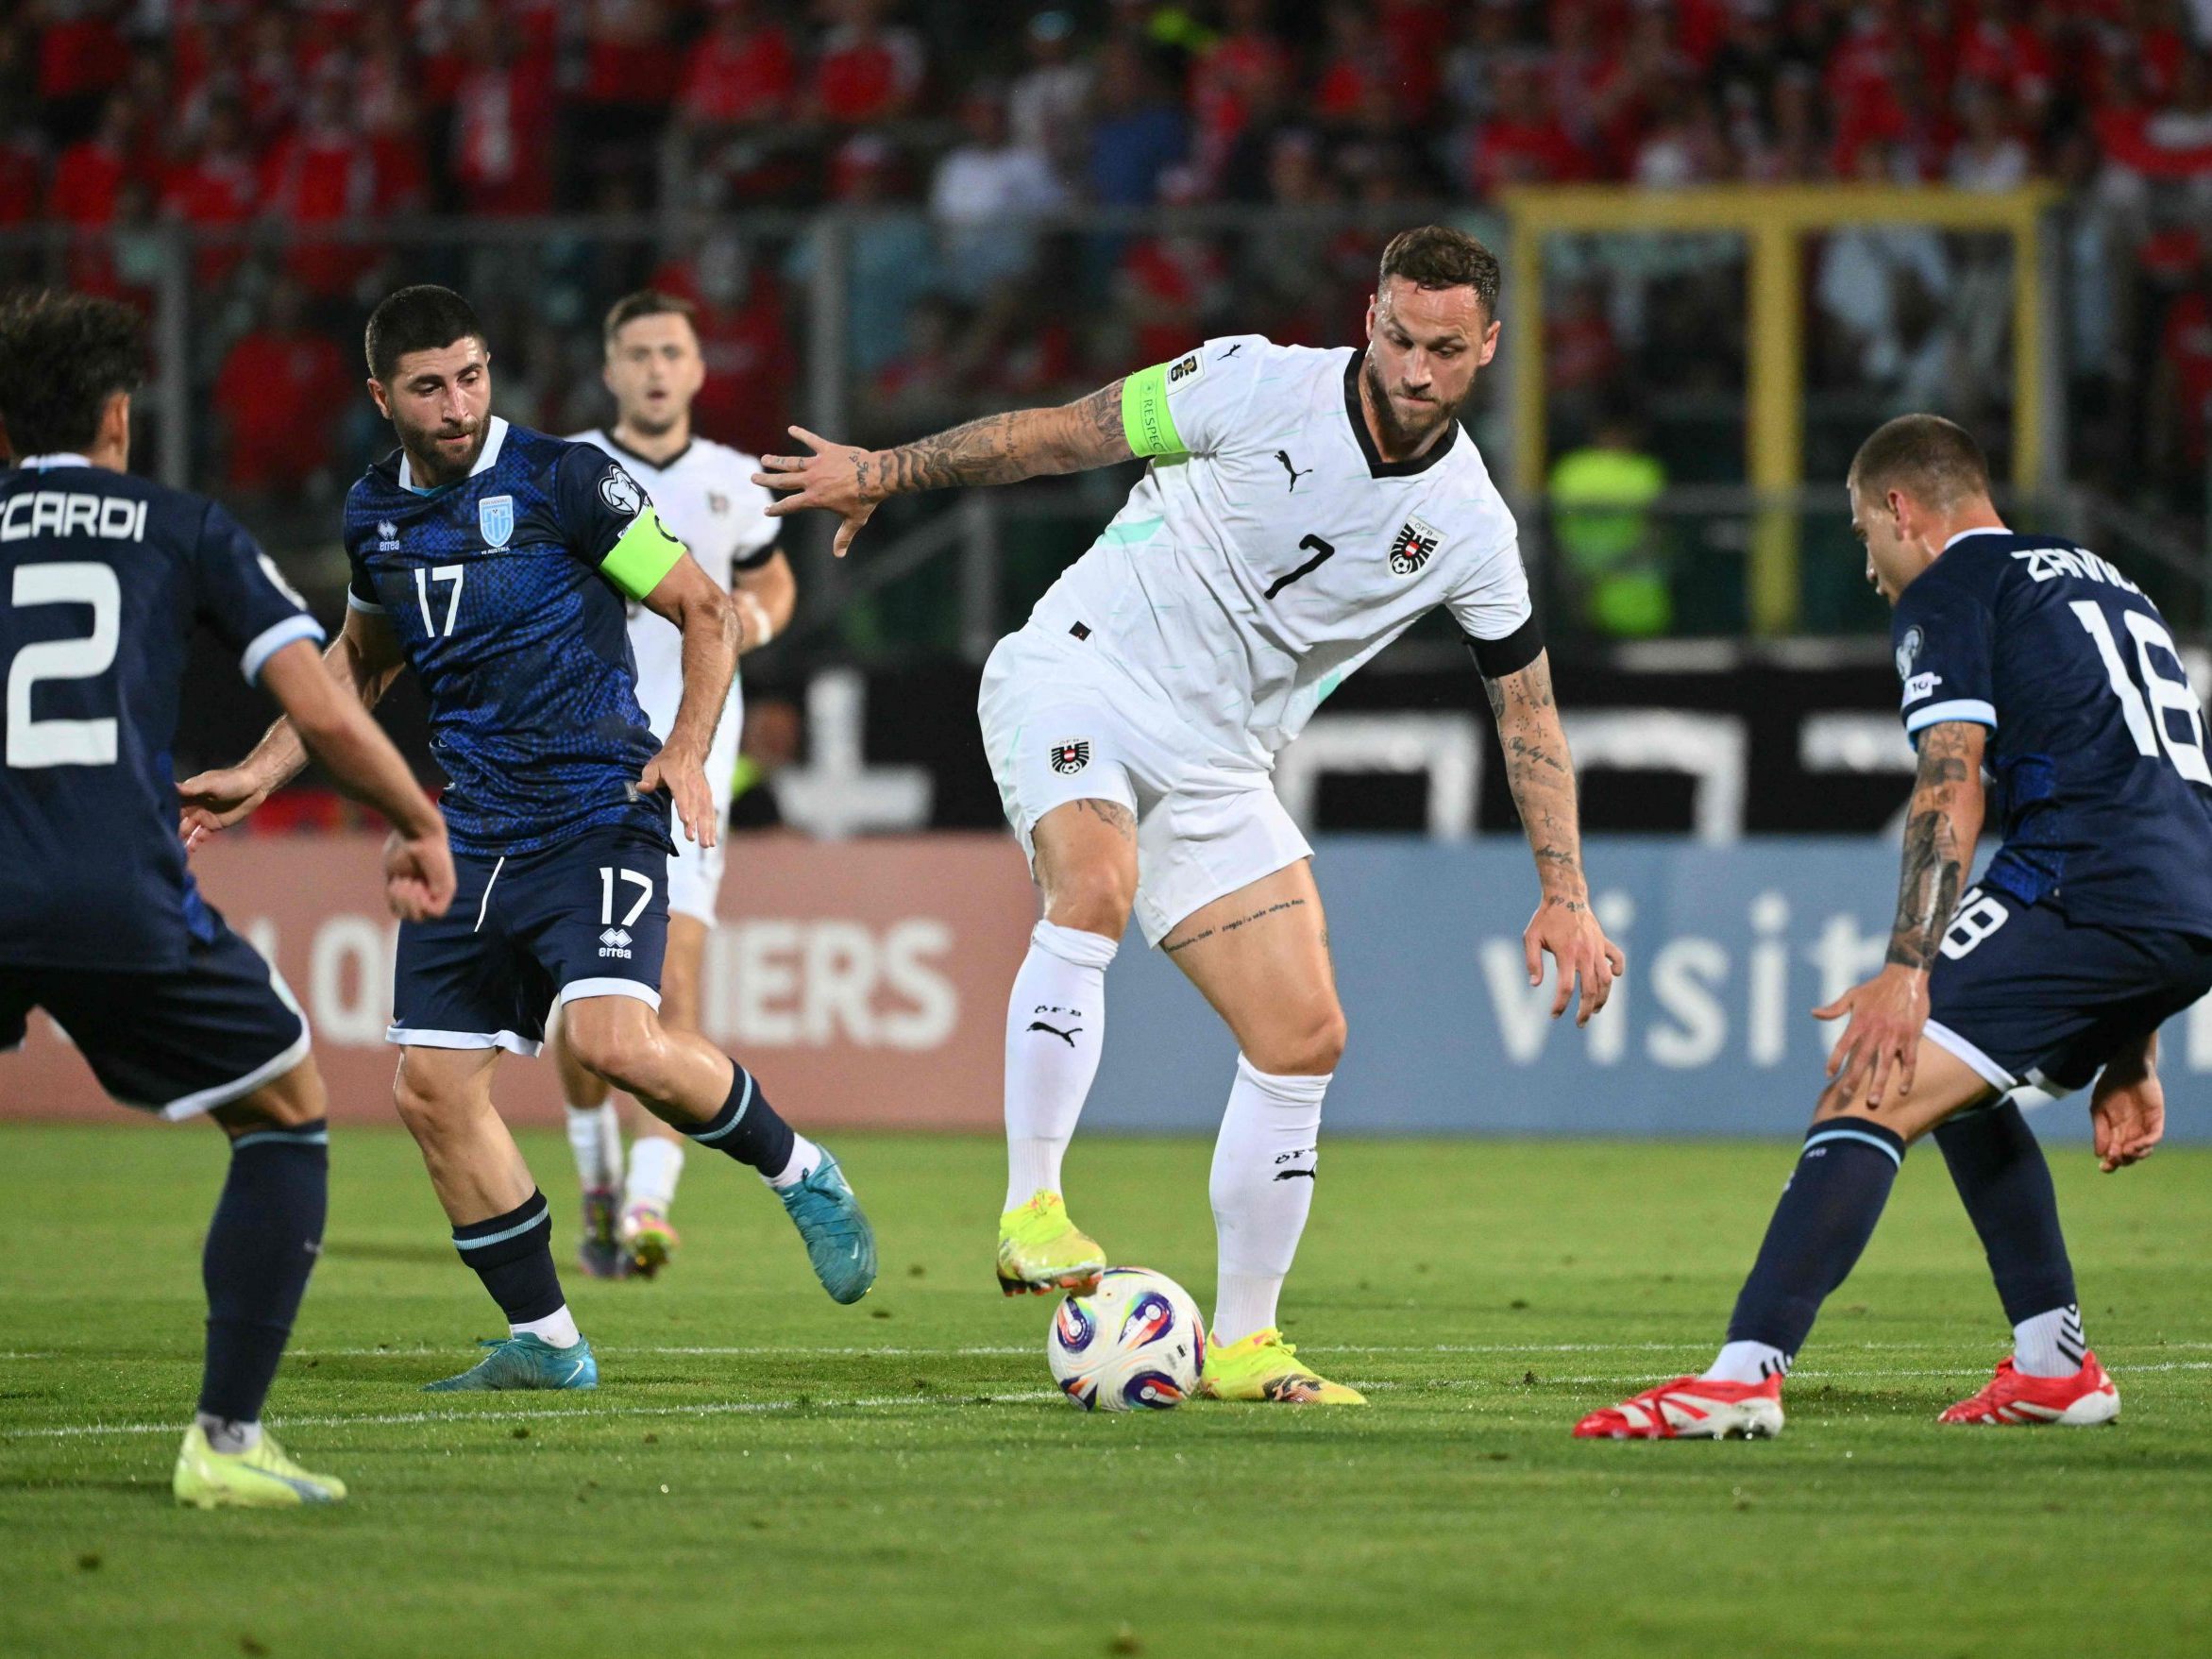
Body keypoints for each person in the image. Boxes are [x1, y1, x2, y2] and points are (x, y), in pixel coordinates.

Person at [758, 226, 1624, 1405]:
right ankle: (1032, 1206)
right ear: (1370, 319)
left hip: (1218, 762)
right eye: (1401, 339)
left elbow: (1527, 709)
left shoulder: (1470, 526)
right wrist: (886, 471)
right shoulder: (1252, 381)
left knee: (1304, 1034)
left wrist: (1565, 892)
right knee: (1095, 884)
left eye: (1446, 350)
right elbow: (1062, 434)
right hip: (1083, 671)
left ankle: (1248, 1342)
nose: (1417, 371)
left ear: (1490, 349)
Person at [183, 285, 874, 1394]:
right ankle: (549, 1340)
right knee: (430, 1089)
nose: (457, 405)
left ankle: (802, 1170)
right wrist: (258, 774)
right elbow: (357, 665)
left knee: (614, 1041)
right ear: (381, 397)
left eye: (470, 377)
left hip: (598, 804)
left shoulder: (565, 479)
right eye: (428, 387)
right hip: (472, 829)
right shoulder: (375, 514)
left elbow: (704, 609)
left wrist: (686, 751)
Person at [1575, 415, 2212, 1440]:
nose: (1869, 565)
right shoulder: (2104, 580)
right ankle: (2054, 1365)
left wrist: (1906, 969)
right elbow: (2149, 788)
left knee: (1873, 1072)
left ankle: (1741, 1375)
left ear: (1900, 509)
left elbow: (1951, 776)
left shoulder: (1953, 588)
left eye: (1863, 530)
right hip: (2184, 889)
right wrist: (2130, 1040)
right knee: (1958, 1091)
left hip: (2083, 880)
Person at [0, 290, 456, 1507]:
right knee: (285, 1110)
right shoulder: (177, 525)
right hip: (109, 884)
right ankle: (227, 1437)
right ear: (118, 416)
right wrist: (415, 818)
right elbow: (321, 705)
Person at [552, 290, 798, 1281]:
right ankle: (598, 1176)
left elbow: (773, 580)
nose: (656, 368)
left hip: (689, 762)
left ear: (697, 370)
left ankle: (648, 1202)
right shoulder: (563, 468)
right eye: (639, 352)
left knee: (675, 982)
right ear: (610, 370)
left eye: (672, 352)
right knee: (581, 1011)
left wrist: (752, 622)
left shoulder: (735, 480)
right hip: (577, 759)